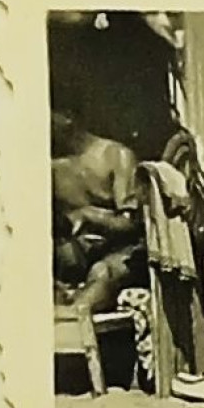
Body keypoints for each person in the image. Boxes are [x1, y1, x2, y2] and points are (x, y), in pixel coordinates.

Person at [50, 110, 145, 315]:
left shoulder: (115, 155)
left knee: (102, 272)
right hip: (74, 256)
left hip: (121, 252)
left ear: (68, 116)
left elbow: (133, 223)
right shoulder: (50, 166)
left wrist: (90, 216)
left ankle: (72, 322)